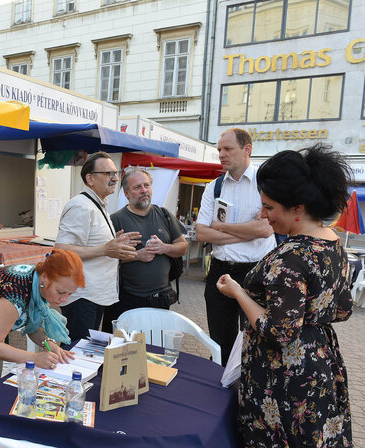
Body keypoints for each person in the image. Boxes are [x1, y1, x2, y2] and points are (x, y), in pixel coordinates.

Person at [216, 144, 352, 446]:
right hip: (321, 361)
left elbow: (279, 331)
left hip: (284, 375)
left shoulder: (291, 256)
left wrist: (238, 293)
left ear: (298, 208)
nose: (264, 215)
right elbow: (343, 309)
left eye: (269, 207)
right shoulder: (332, 243)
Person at [0, 249, 84, 401]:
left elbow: (33, 325)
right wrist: (34, 358)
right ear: (45, 277)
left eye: (70, 294)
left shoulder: (39, 284)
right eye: (61, 292)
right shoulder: (16, 293)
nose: (64, 300)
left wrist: (48, 343)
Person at [196, 128, 276, 365]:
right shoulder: (215, 186)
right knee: (221, 340)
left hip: (256, 271)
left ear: (247, 150)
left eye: (228, 149)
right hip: (220, 271)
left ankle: (251, 394)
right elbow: (201, 233)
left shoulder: (265, 183)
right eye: (219, 149)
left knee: (257, 339)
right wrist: (248, 231)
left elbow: (265, 229)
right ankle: (221, 394)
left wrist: (220, 227)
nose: (221, 154)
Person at [55, 151, 140, 341]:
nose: (115, 178)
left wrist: (114, 243)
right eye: (108, 173)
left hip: (94, 296)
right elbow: (61, 250)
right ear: (90, 179)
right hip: (82, 297)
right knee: (77, 354)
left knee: (86, 353)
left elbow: (91, 242)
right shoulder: (81, 206)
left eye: (116, 173)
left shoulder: (98, 204)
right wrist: (105, 249)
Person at [104, 167, 188, 330]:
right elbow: (105, 258)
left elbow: (183, 246)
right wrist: (136, 255)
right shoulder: (115, 220)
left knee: (154, 348)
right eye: (137, 187)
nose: (144, 190)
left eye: (147, 185)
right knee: (124, 349)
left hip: (160, 298)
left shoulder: (164, 214)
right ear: (127, 193)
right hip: (126, 300)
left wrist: (164, 248)